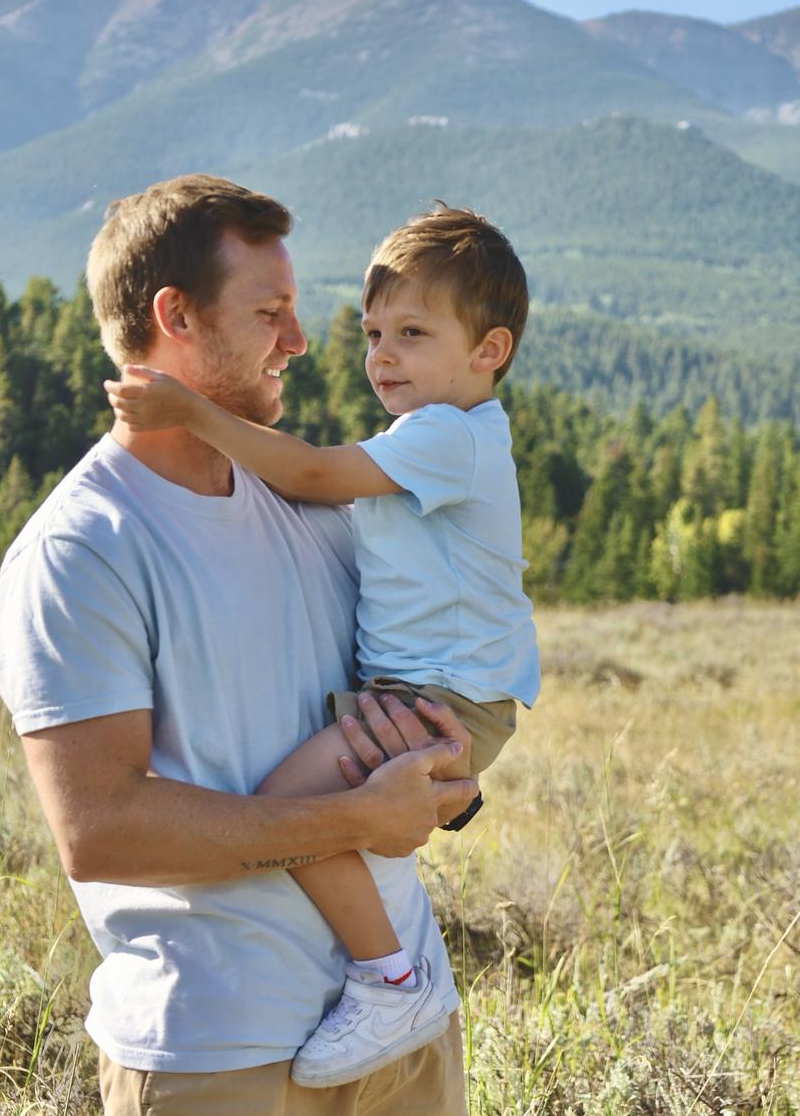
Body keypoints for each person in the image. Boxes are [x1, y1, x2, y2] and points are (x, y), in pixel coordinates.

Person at [0, 174, 479, 1116]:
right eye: (268, 313)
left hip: (408, 1038)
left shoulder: (314, 508)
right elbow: (99, 828)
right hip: (218, 1057)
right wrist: (356, 820)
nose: (298, 340)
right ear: (176, 316)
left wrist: (444, 773)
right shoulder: (82, 550)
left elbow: (386, 705)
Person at [104, 203, 542, 1087]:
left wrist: (189, 410)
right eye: (375, 333)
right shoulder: (433, 439)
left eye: (412, 333)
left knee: (286, 804)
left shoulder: (446, 438)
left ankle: (390, 981)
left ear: (489, 350)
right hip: (435, 693)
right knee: (316, 806)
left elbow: (308, 472)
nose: (382, 356)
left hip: (438, 698)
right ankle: (387, 973)